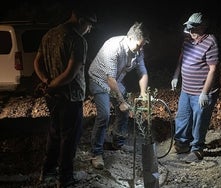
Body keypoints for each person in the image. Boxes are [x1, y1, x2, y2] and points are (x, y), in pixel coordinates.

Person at [33, 3, 97, 187]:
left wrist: (46, 82)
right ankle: (66, 178)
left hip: (52, 97)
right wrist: (52, 85)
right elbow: (70, 73)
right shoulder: (77, 40)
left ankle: (48, 171)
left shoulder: (49, 34)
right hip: (71, 97)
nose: (90, 29)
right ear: (81, 20)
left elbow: (36, 62)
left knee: (54, 133)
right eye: (90, 25)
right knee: (69, 138)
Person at [88, 21, 150, 169]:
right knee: (104, 115)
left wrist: (143, 94)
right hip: (99, 79)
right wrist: (121, 100)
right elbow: (110, 79)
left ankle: (118, 142)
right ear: (129, 38)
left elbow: (142, 72)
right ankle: (96, 153)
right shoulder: (113, 46)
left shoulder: (138, 50)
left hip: (115, 80)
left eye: (143, 46)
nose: (140, 49)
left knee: (126, 109)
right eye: (138, 45)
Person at [171, 12, 220, 163]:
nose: (190, 32)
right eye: (189, 28)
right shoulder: (187, 39)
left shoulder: (210, 42)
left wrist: (205, 93)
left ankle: (197, 149)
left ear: (203, 27)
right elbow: (182, 58)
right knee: (182, 117)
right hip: (186, 89)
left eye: (194, 29)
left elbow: (213, 69)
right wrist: (176, 75)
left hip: (201, 91)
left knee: (200, 120)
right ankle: (181, 143)